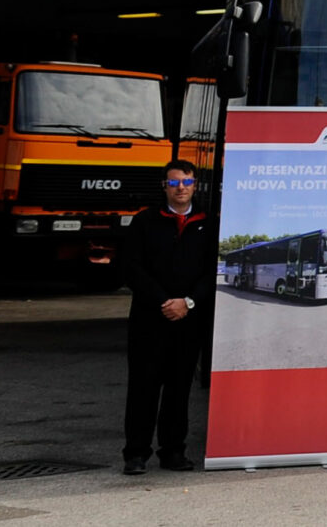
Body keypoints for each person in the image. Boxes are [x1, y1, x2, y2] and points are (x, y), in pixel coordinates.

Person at [122, 160, 217, 475]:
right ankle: (136, 454)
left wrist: (188, 302)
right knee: (143, 389)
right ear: (164, 186)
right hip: (150, 320)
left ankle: (173, 452)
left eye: (187, 183)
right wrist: (164, 301)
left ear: (195, 186)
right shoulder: (145, 221)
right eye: (174, 183)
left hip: (189, 321)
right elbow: (131, 268)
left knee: (179, 390)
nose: (181, 189)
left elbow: (212, 272)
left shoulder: (207, 223)